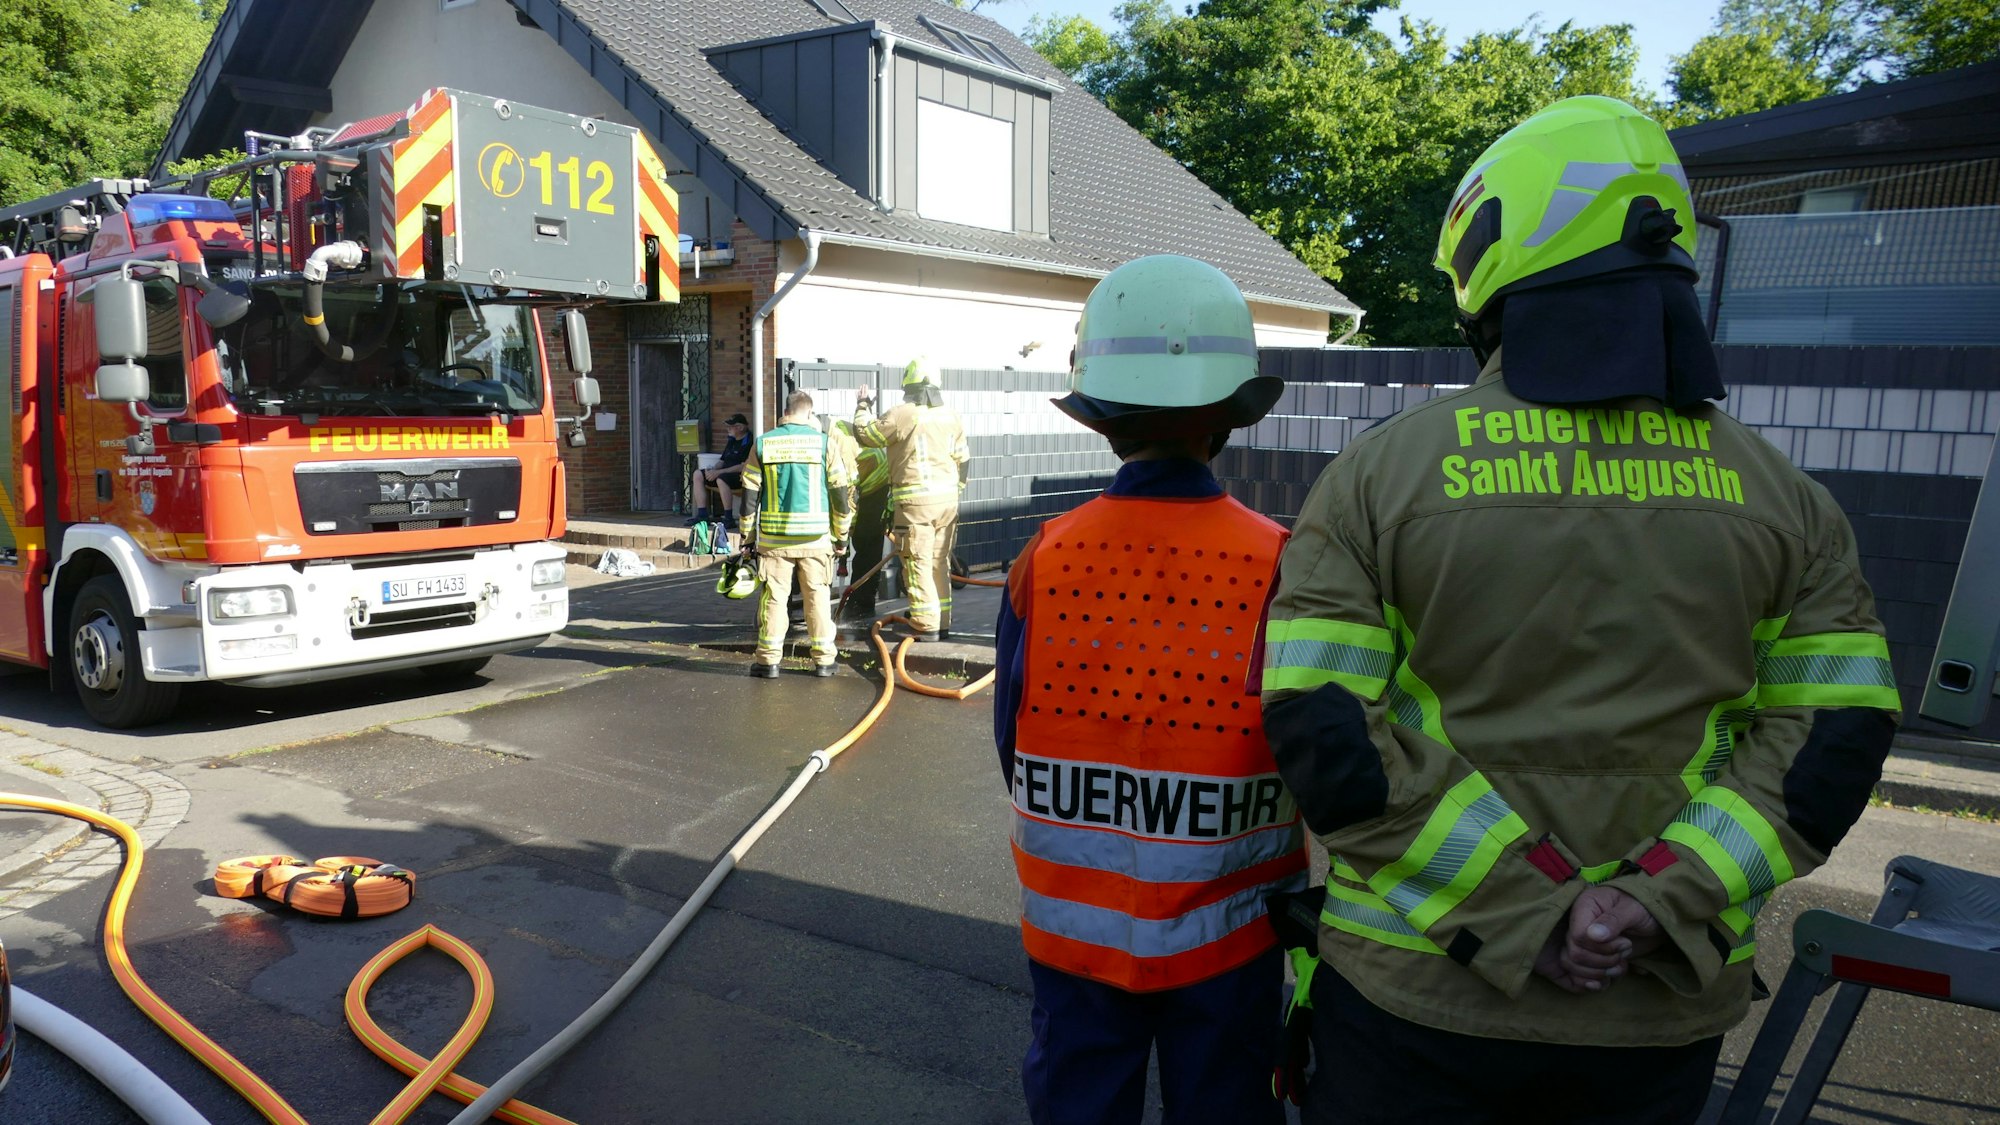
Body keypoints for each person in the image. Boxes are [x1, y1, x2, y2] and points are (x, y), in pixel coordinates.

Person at [1257, 95, 1901, 1125]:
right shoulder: (1787, 500)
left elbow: (1322, 730)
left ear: (1494, 246)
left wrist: (1529, 914)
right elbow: (1832, 743)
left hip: (1418, 996)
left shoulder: (1382, 476)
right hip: (1654, 1009)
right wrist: (1650, 901)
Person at [993, 254, 1307, 1125]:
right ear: (1229, 417)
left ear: (1100, 417)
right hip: (1232, 935)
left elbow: (1011, 747)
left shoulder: (1046, 558)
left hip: (1074, 934)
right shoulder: (1281, 562)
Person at [853, 358, 969, 641]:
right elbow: (963, 460)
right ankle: (941, 621)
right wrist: (956, 491)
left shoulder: (903, 414)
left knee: (917, 563)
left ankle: (924, 623)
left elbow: (866, 434)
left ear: (910, 386)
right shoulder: (950, 416)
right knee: (938, 562)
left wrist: (862, 406)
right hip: (948, 503)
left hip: (916, 505)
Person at [740, 393, 849, 678]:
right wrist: (842, 537)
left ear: (785, 411)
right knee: (817, 597)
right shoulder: (826, 443)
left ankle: (768, 662)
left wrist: (747, 538)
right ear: (809, 413)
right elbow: (840, 495)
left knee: (775, 599)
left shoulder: (764, 443)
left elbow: (750, 496)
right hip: (815, 540)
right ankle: (825, 662)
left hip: (774, 541)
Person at [828, 417, 891, 625]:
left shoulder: (838, 443)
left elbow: (847, 492)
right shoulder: (831, 431)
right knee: (863, 541)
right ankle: (858, 602)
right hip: (866, 478)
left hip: (875, 485)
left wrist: (845, 530)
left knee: (866, 544)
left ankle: (861, 605)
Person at [690, 413, 753, 528]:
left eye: (730, 427)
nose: (727, 429)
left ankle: (728, 518)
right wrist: (712, 470)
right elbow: (722, 461)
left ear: (740, 427)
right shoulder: (732, 440)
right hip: (723, 473)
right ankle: (702, 515)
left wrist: (718, 473)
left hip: (739, 476)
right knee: (698, 474)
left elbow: (743, 466)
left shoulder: (749, 441)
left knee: (721, 479)